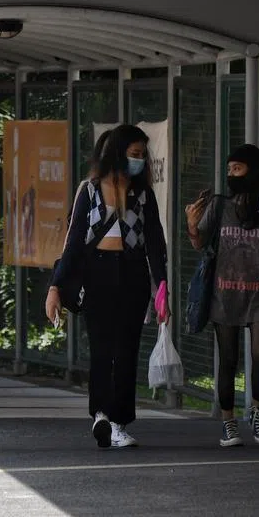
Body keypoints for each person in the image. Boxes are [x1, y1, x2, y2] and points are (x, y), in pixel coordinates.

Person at [46, 124, 169, 449]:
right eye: (134, 154)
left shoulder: (142, 195)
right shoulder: (90, 190)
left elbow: (155, 244)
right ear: (117, 153)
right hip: (97, 274)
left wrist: (162, 288)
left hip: (133, 275)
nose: (140, 160)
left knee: (126, 351)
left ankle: (119, 422)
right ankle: (100, 414)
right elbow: (73, 243)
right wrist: (55, 287)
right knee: (101, 349)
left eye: (143, 155)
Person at [185, 144, 259, 448]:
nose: (232, 175)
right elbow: (199, 242)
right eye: (229, 170)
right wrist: (191, 224)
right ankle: (228, 421)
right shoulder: (220, 205)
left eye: (237, 168)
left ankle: (256, 410)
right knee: (228, 358)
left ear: (253, 169)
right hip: (224, 294)